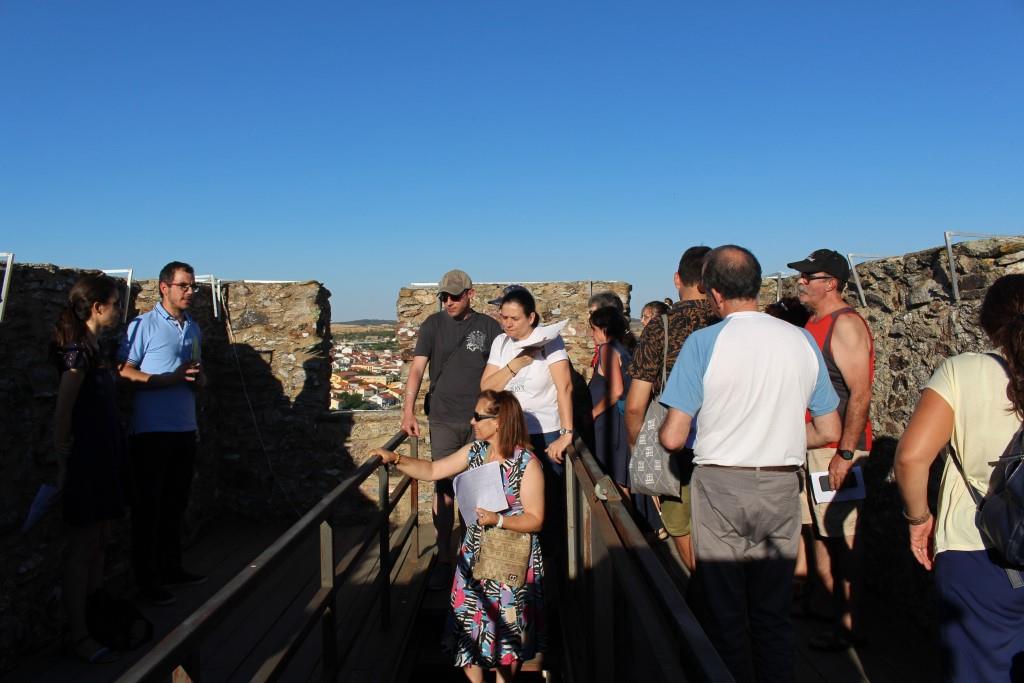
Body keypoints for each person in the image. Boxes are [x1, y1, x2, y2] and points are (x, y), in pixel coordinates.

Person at [659, 245, 840, 683]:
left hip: (720, 484)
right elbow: (830, 427)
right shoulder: (799, 339)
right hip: (780, 485)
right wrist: (780, 439)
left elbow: (672, 436)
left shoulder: (704, 343)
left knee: (724, 612)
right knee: (772, 612)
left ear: (715, 294)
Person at [895, 274, 1024, 682]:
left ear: (987, 323)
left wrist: (919, 520)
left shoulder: (963, 372)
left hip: (978, 552)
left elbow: (912, 458)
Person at [371, 390, 544, 683]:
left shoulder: (527, 464)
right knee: (468, 627)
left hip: (510, 561)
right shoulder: (475, 452)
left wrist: (498, 520)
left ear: (500, 421)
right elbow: (434, 469)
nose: (471, 421)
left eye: (478, 416)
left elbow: (536, 519)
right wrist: (395, 458)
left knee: (506, 637)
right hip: (474, 556)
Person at [787, 248, 875, 649]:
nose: (801, 281)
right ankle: (825, 608)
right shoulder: (813, 322)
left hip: (836, 449)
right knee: (820, 532)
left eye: (809, 275)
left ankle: (850, 624)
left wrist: (845, 453)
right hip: (815, 444)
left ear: (832, 283)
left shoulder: (846, 325)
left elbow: (860, 393)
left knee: (846, 536)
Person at [401, 269, 502, 587]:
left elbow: (499, 373)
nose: (448, 302)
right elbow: (417, 370)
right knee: (444, 487)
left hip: (479, 422)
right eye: (444, 296)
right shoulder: (432, 325)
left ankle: (473, 551)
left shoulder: (488, 327)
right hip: (443, 417)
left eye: (455, 296)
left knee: (479, 486)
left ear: (470, 294)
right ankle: (445, 554)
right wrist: (408, 412)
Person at [625, 246, 716, 572]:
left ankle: (705, 594)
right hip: (727, 441)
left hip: (675, 444)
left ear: (678, 278)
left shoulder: (660, 328)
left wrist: (641, 451)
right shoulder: (727, 323)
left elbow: (635, 406)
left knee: (680, 524)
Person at [118, 261, 205, 606]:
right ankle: (146, 580)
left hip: (184, 426)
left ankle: (171, 568)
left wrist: (201, 380)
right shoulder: (144, 326)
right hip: (152, 431)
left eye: (193, 286)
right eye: (183, 286)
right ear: (164, 287)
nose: (190, 292)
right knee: (148, 509)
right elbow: (123, 370)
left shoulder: (193, 328)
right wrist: (167, 380)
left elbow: (199, 372)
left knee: (175, 504)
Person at [53, 274, 126, 663]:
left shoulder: (95, 348)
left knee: (99, 543)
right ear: (98, 308)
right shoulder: (77, 353)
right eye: (115, 303)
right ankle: (79, 634)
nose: (119, 310)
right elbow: (64, 411)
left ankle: (96, 618)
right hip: (87, 461)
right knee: (82, 550)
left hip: (105, 455)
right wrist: (63, 460)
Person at [481, 287, 572, 571]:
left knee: (547, 505)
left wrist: (567, 433)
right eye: (503, 317)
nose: (507, 323)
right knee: (509, 502)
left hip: (544, 433)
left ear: (531, 317)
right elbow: (486, 388)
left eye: (514, 318)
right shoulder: (501, 343)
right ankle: (513, 565)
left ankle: (551, 572)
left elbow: (564, 387)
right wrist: (516, 364)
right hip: (509, 433)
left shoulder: (551, 342)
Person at [588, 306, 632, 490]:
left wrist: (592, 414)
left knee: (615, 483)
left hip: (610, 425)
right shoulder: (622, 348)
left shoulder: (607, 349)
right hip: (618, 422)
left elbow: (616, 390)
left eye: (594, 329)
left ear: (604, 329)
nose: (591, 334)